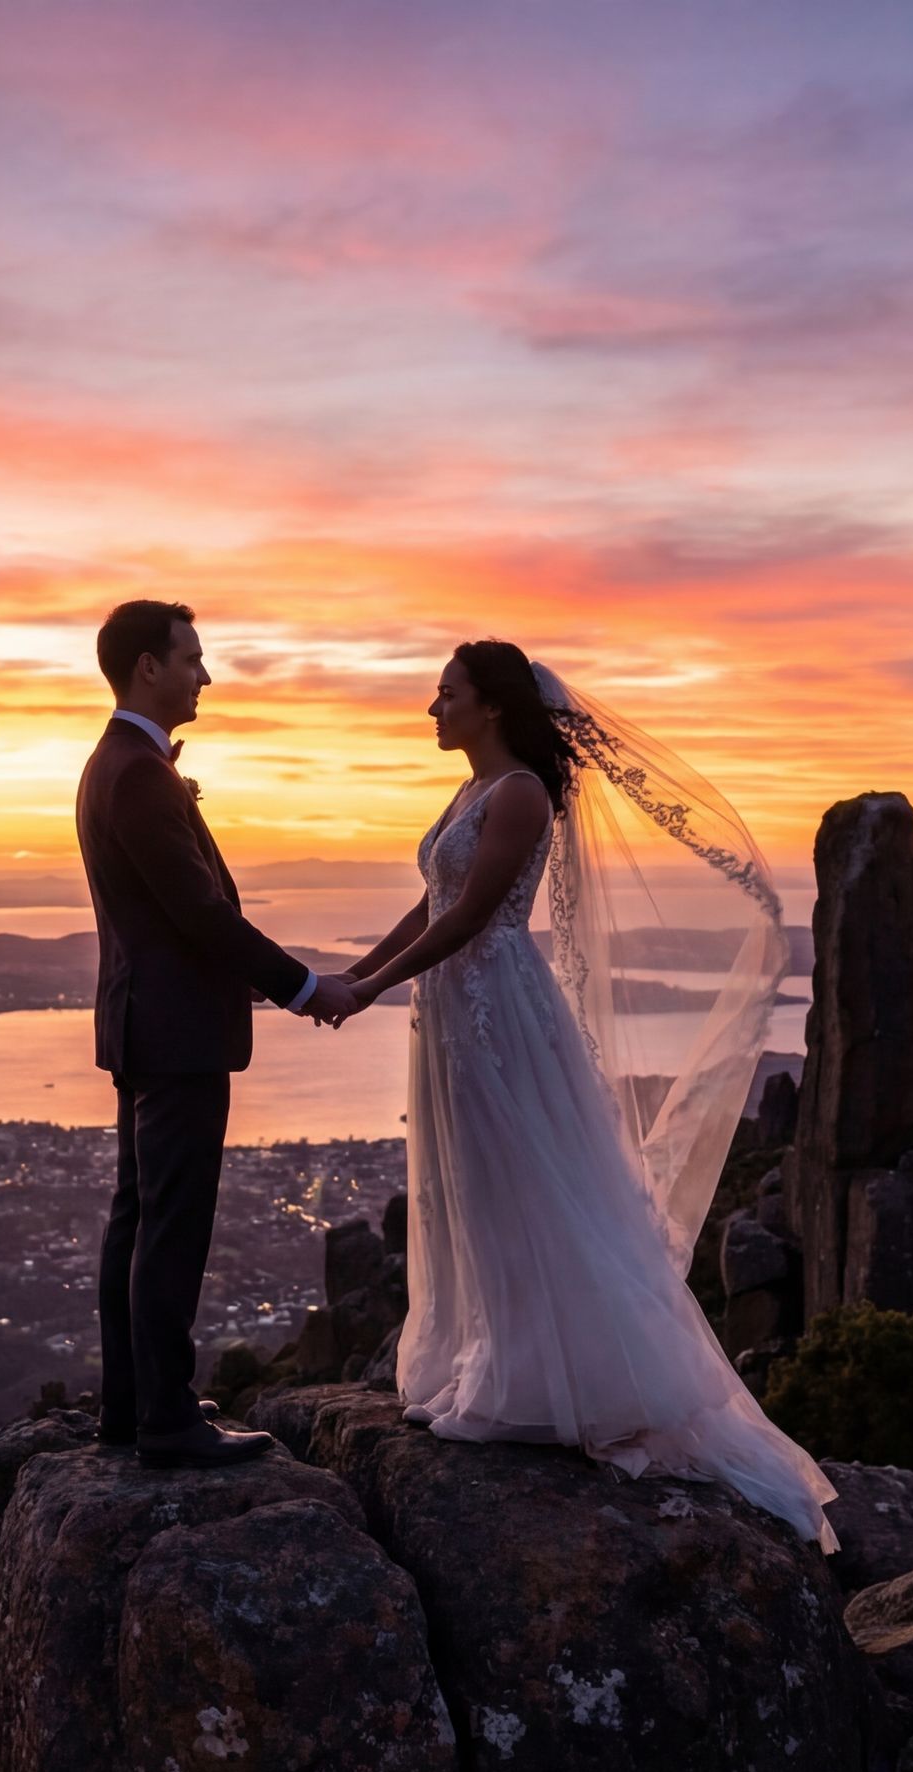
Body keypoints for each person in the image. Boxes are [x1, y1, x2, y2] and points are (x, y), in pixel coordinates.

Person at [328, 640, 837, 1547]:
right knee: (470, 1186)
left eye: (445, 693)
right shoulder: (469, 791)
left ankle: (549, 1378)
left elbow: (477, 914)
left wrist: (370, 989)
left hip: (497, 1008)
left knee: (516, 1181)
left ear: (489, 704)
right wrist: (354, 973)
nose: (430, 708)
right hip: (452, 1007)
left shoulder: (520, 792)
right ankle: (489, 1358)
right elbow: (433, 903)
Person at [74, 599, 361, 1469]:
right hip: (177, 1035)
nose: (206, 674)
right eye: (192, 657)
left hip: (142, 1027)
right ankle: (164, 1419)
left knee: (138, 1219)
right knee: (171, 1226)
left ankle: (134, 1404)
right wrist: (307, 987)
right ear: (148, 667)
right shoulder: (138, 775)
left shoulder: (114, 764)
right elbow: (201, 916)